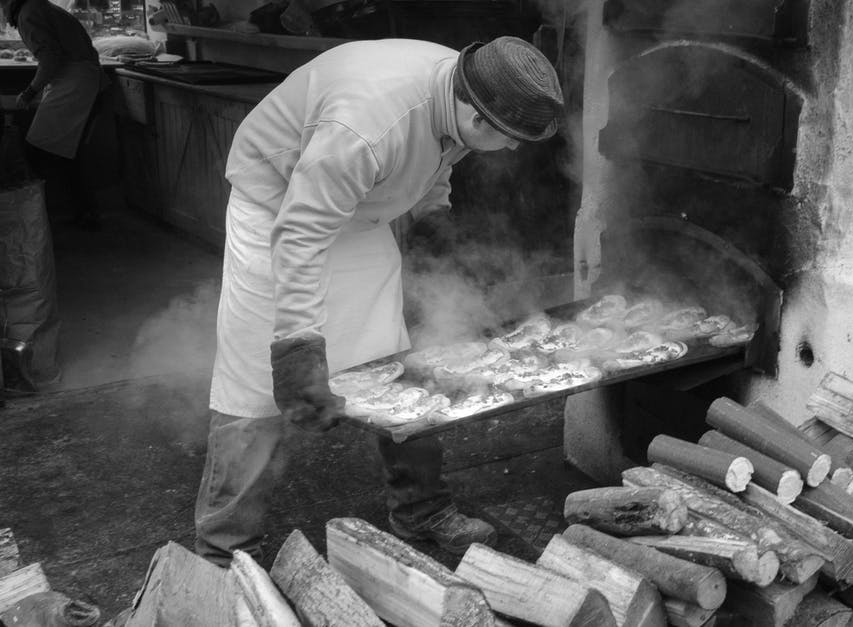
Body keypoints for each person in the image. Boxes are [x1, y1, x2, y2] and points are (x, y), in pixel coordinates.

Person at [194, 36, 563, 566]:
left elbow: (438, 154)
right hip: (279, 207)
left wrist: (434, 215)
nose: (513, 150)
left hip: (359, 208)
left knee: (394, 363)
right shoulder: (365, 129)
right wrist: (296, 348)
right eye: (511, 140)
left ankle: (421, 510)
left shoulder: (467, 89)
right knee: (254, 385)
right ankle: (223, 550)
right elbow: (300, 234)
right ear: (479, 117)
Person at [2, 0, 107, 229]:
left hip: (76, 83)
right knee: (66, 154)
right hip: (78, 79)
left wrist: (29, 92)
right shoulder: (36, 7)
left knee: (37, 150)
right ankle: (84, 213)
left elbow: (50, 59)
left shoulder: (28, 14)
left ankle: (36, 218)